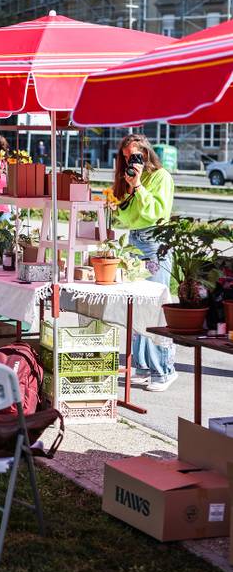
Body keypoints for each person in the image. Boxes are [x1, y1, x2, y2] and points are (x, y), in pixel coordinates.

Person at [113, 133, 176, 392]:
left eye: (135, 155)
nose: (131, 161)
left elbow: (154, 213)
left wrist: (139, 185)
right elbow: (125, 217)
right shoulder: (128, 179)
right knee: (137, 305)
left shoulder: (161, 177)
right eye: (126, 157)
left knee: (154, 305)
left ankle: (164, 369)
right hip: (135, 239)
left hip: (155, 242)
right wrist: (130, 186)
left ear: (146, 153)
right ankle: (142, 364)